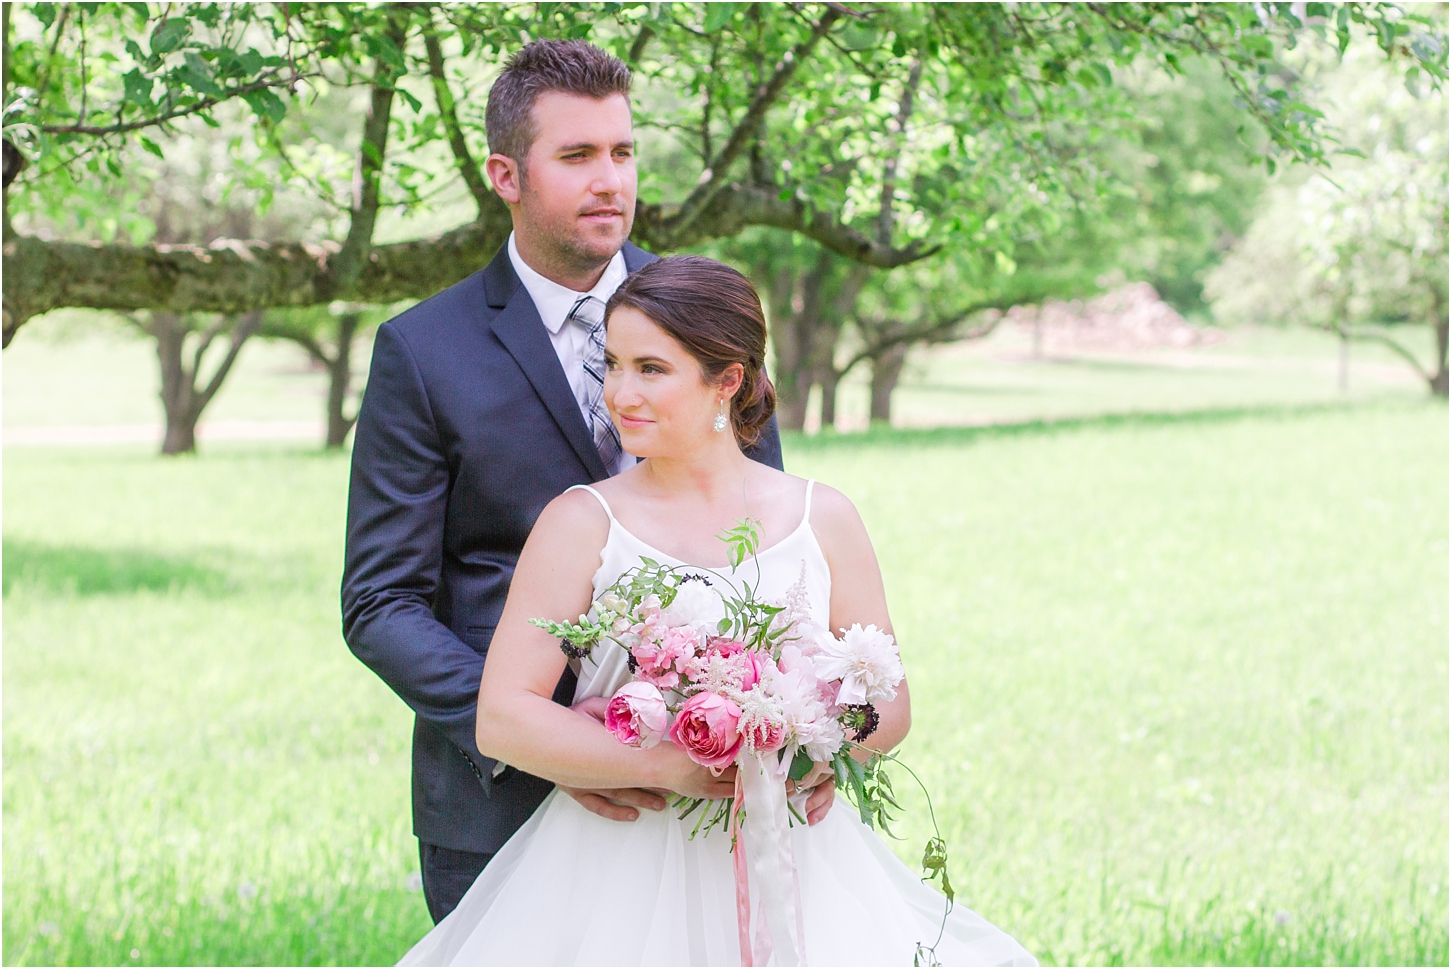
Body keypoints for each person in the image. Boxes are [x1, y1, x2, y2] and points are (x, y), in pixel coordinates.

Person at [397, 255, 1037, 966]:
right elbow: (505, 715)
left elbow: (888, 705)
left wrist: (812, 756)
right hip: (618, 866)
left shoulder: (821, 516)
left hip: (794, 852)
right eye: (611, 364)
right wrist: (673, 765)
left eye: (650, 368)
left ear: (726, 380)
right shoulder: (580, 522)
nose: (618, 392)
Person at [340, 40, 788, 927]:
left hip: (708, 782)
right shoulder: (423, 353)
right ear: (505, 174)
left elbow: (771, 541)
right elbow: (381, 602)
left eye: (622, 152)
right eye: (576, 156)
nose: (610, 181)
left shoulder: (710, 320)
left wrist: (777, 727)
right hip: (502, 801)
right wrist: (551, 741)